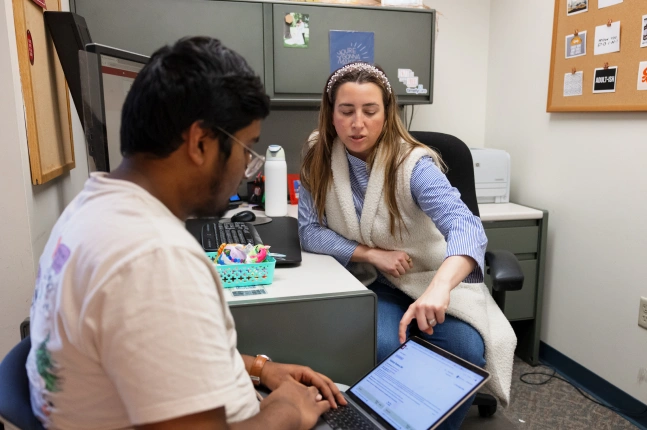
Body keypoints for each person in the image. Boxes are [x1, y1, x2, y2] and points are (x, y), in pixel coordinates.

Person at [27, 36, 346, 430]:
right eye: (246, 150)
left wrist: (261, 370)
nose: (247, 168)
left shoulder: (90, 208)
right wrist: (287, 411)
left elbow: (152, 353)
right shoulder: (156, 259)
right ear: (200, 143)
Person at [298, 62, 516, 430]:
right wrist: (370, 254)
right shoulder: (319, 157)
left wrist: (440, 288)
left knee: (463, 352)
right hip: (376, 283)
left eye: (370, 111)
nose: (357, 124)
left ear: (387, 113)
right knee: (383, 350)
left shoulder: (413, 164)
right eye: (346, 111)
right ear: (330, 113)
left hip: (432, 279)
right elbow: (308, 231)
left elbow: (466, 226)